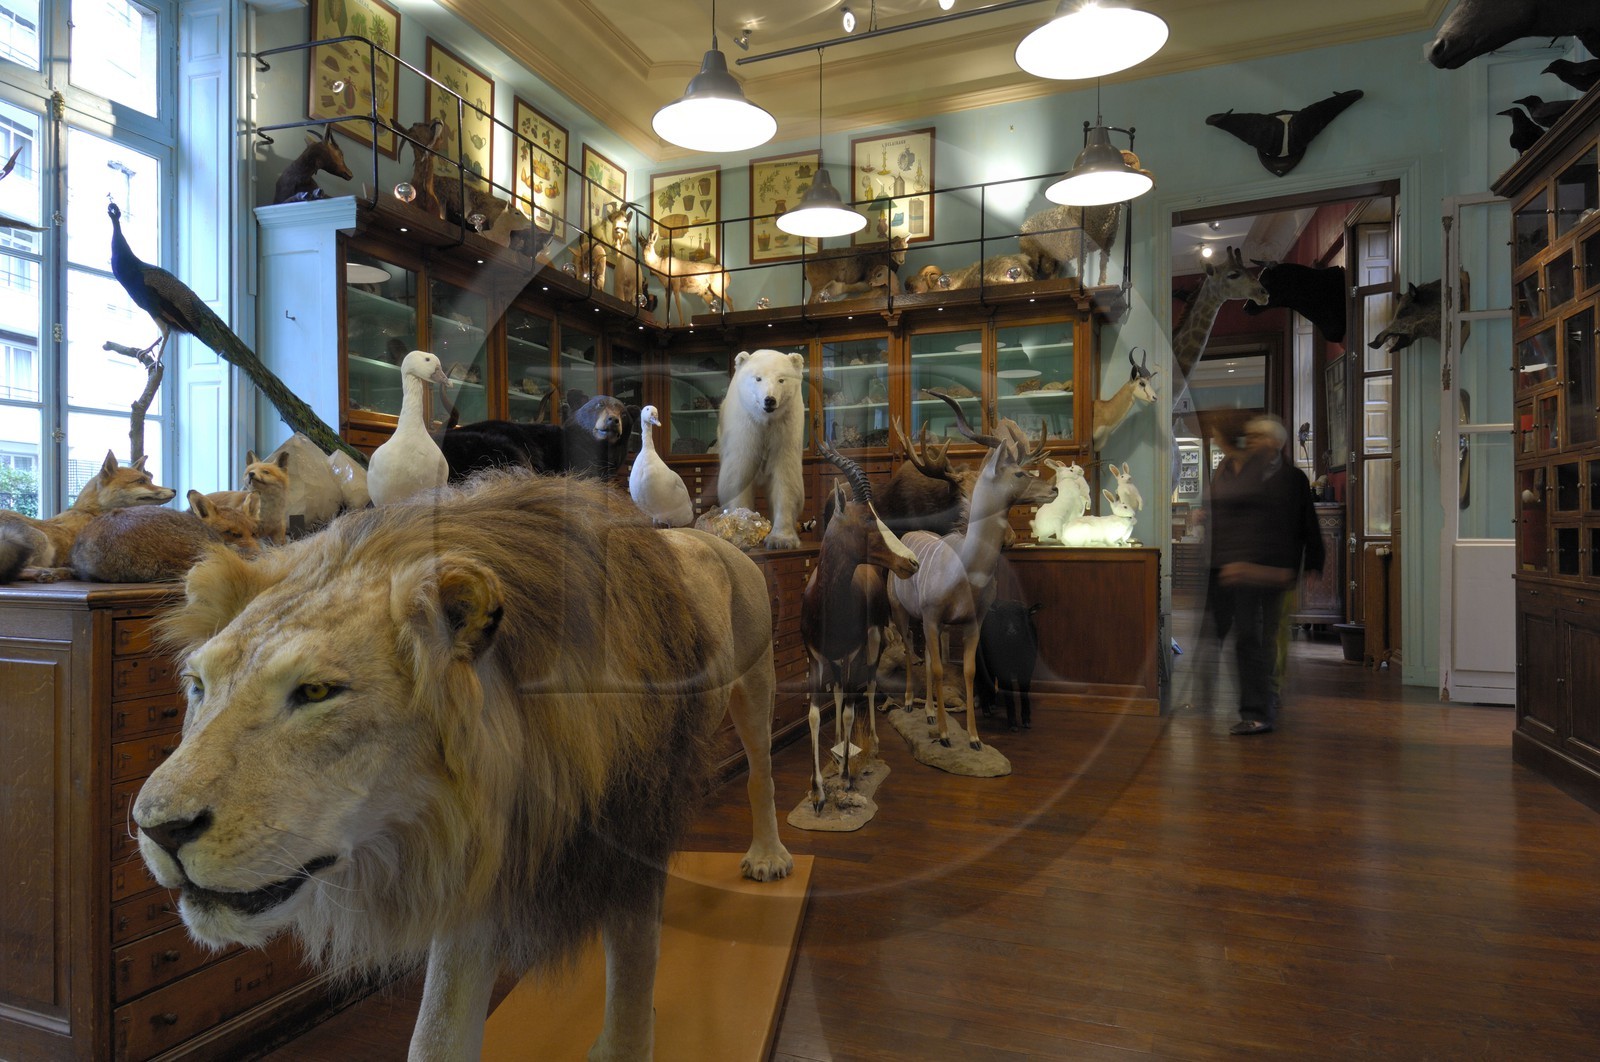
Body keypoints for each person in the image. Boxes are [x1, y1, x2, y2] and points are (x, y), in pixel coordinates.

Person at [1206, 413, 1325, 735]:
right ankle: (1258, 707)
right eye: (1251, 436)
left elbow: (1307, 522)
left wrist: (1314, 561)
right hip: (1244, 570)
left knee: (1268, 635)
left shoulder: (1293, 478)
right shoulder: (1239, 471)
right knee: (1249, 636)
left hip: (1275, 569)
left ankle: (1264, 700)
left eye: (1259, 436)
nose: (1253, 440)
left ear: (1275, 443)